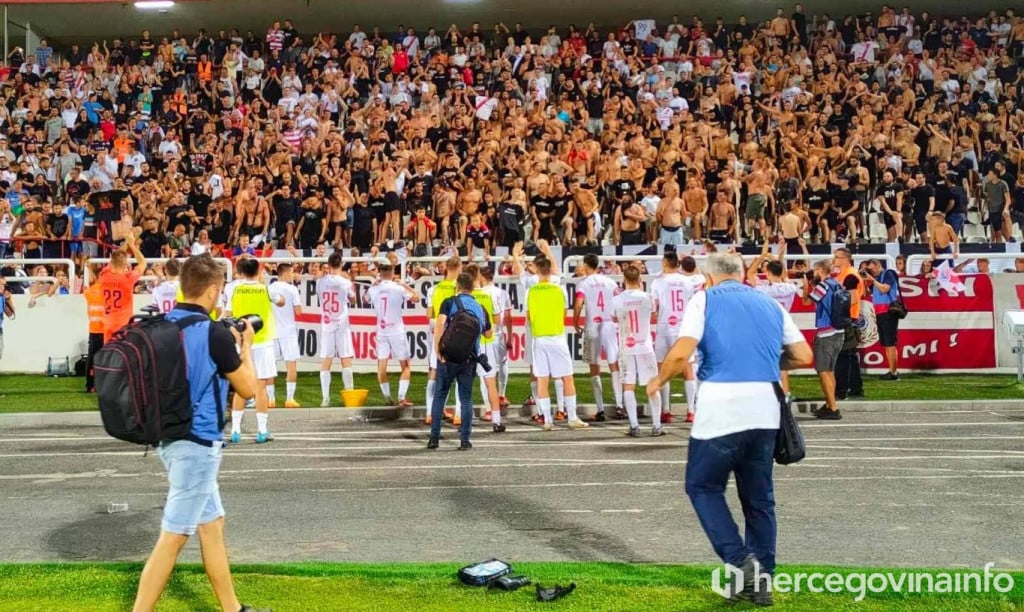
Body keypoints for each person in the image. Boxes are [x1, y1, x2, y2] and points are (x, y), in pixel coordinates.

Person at [647, 253, 812, 606]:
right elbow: (802, 355)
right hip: (765, 408)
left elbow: (681, 353)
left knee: (703, 486)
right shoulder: (768, 304)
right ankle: (762, 577)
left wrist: (657, 380)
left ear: (708, 278)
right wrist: (769, 361)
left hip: (721, 406)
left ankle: (739, 561)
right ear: (740, 275)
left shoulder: (703, 299)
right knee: (759, 498)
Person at [132, 254, 267, 612]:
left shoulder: (160, 324)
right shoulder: (214, 334)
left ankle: (232, 608)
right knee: (173, 537)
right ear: (211, 290)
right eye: (220, 291)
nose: (220, 297)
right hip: (198, 444)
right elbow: (249, 389)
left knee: (212, 524)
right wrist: (247, 346)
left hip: (168, 436)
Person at [427, 272, 491, 451]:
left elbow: (440, 324)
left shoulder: (449, 302)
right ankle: (465, 440)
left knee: (440, 395)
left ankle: (434, 437)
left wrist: (438, 349)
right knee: (466, 399)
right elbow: (488, 333)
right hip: (469, 358)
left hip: (448, 357)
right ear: (472, 287)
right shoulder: (480, 307)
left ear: (457, 286)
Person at [224, 257, 282, 443]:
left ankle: (235, 430)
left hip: (242, 343)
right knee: (260, 387)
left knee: (241, 388)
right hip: (263, 341)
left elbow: (227, 314)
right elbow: (281, 301)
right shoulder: (266, 289)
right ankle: (262, 431)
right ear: (258, 271)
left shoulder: (235, 289)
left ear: (240, 271)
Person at [528, 255, 587, 431]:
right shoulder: (559, 290)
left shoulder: (531, 291)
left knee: (542, 380)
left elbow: (529, 317)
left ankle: (547, 419)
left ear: (537, 270)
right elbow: (563, 314)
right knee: (567, 378)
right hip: (557, 337)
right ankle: (572, 417)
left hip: (539, 338)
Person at [650, 251, 702, 423]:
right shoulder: (688, 281)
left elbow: (654, 307)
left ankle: (666, 410)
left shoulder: (657, 282)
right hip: (682, 327)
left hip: (665, 326)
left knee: (664, 368)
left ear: (665, 263)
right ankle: (690, 410)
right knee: (688, 368)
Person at [612, 265, 663, 437]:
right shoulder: (647, 297)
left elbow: (613, 317)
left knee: (628, 386)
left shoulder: (617, 299)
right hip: (645, 346)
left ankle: (634, 426)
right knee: (652, 386)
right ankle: (656, 425)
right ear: (640, 279)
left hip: (627, 346)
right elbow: (654, 313)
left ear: (624, 279)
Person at [746, 242, 799, 398]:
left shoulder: (764, 289)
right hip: (784, 328)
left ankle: (769, 395)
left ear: (768, 272)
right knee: (782, 365)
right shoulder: (790, 287)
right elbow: (784, 276)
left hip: (767, 329)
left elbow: (749, 274)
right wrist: (779, 259)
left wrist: (762, 256)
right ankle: (785, 394)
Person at [573, 253, 622, 421]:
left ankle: (600, 409)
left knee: (594, 367)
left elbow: (579, 303)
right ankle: (620, 406)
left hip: (592, 325)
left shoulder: (583, 284)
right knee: (614, 365)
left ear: (587, 265)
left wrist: (575, 320)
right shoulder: (610, 282)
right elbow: (619, 300)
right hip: (609, 324)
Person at [366, 263, 419, 408]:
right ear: (393, 272)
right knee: (406, 366)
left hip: (381, 331)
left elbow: (365, 299)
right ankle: (401, 398)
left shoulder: (374, 289)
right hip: (397, 331)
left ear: (380, 273)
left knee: (381, 367)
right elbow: (416, 298)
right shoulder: (399, 288)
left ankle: (388, 398)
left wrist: (373, 284)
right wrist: (405, 285)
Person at [802, 259, 845, 420]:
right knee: (830, 371)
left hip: (826, 333)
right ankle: (829, 404)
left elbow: (806, 301)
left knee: (823, 371)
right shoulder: (836, 283)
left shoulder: (822, 286)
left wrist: (806, 284)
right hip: (839, 331)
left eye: (814, 270)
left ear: (820, 270)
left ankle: (833, 408)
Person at [466, 263, 505, 432]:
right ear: (478, 277)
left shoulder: (461, 298)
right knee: (490, 383)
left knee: (463, 382)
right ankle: (496, 420)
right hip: (486, 343)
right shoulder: (488, 296)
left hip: (467, 344)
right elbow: (497, 320)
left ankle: (462, 418)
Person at [425, 255, 462, 425]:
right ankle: (458, 415)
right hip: (455, 335)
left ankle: (429, 412)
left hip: (438, 334)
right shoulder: (459, 289)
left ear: (446, 267)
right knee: (459, 373)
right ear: (460, 267)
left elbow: (429, 315)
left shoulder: (434, 289)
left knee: (434, 371)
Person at [316, 252, 356, 406]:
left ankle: (325, 398)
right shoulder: (344, 282)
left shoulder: (320, 282)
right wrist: (350, 283)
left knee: (326, 360)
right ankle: (349, 394)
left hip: (327, 323)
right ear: (340, 265)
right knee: (345, 358)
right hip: (341, 324)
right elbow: (353, 299)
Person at [99, 233, 147, 342]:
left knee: (108, 352)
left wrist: (126, 242)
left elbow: (117, 256)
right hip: (123, 324)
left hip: (108, 322)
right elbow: (143, 263)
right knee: (123, 354)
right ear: (125, 264)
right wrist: (132, 245)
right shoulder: (127, 278)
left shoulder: (104, 275)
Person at [269, 263, 302, 408]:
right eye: (292, 272)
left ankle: (270, 399)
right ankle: (289, 399)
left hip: (272, 331)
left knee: (270, 366)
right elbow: (299, 311)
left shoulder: (269, 288)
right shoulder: (292, 289)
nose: (293, 275)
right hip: (288, 331)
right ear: (286, 273)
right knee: (291, 365)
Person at [480, 266, 513, 412]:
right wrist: (510, 336)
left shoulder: (480, 293)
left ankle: (488, 407)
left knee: (485, 370)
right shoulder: (503, 293)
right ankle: (501, 395)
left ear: (482, 277)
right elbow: (508, 317)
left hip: (484, 335)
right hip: (499, 334)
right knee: (503, 363)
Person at [866, 259, 902, 381]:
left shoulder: (888, 274)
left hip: (889, 312)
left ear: (878, 266)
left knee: (890, 344)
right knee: (886, 344)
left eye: (872, 269)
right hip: (879, 313)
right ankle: (891, 370)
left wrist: (871, 280)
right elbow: (868, 293)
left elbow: (884, 289)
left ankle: (894, 372)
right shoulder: (874, 279)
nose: (871, 271)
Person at [83, 267, 104, 392]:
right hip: (105, 329)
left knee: (91, 358)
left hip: (93, 329)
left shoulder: (89, 291)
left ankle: (90, 385)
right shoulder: (107, 291)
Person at [0, 277, 13, 361]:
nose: (3, 287)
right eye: (1, 285)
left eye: (4, 285)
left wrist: (9, 301)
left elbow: (10, 314)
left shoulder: (2, 298)